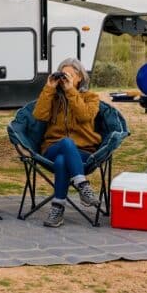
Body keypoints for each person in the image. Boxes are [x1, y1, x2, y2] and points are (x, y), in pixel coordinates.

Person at [32, 58, 103, 228]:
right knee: (65, 143)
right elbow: (39, 116)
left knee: (62, 161)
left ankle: (57, 208)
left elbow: (84, 116)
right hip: (52, 148)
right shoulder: (53, 97)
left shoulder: (91, 97)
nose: (65, 80)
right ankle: (83, 186)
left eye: (70, 76)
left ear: (80, 77)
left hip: (83, 152)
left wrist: (71, 91)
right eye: (63, 75)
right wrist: (49, 88)